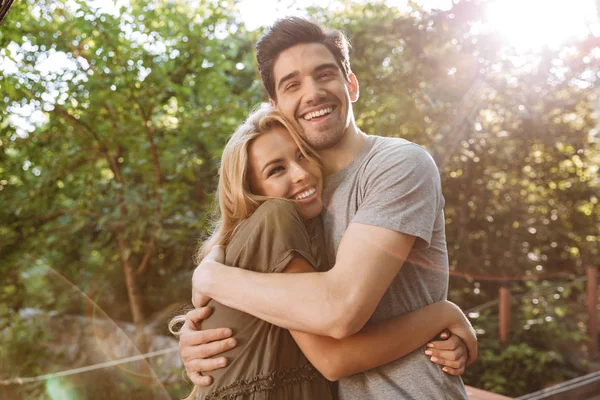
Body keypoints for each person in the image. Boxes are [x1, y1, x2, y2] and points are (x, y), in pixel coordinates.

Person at [184, 17, 476, 399]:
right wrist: (192, 338)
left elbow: (339, 312)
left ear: (350, 84)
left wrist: (209, 277)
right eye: (292, 84)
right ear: (276, 106)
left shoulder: (396, 165)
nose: (313, 92)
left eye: (325, 75)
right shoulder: (292, 202)